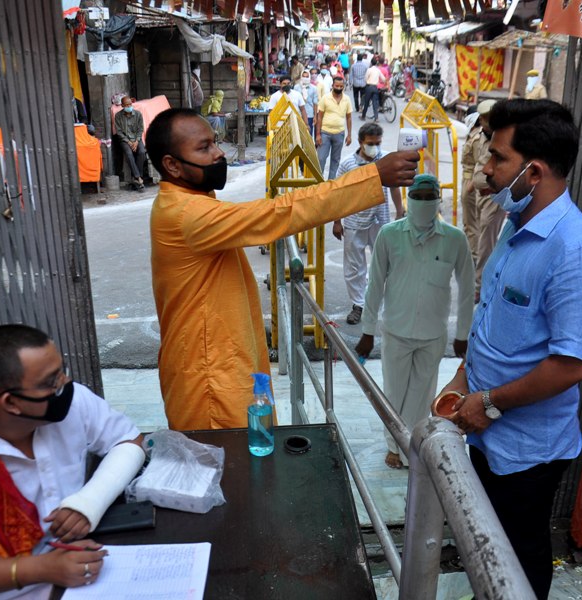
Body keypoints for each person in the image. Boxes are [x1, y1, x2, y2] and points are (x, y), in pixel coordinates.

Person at [146, 108, 420, 430]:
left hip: (218, 369)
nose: (219, 153)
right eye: (204, 148)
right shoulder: (185, 215)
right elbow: (280, 213)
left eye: (215, 142)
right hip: (209, 384)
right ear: (172, 165)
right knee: (230, 469)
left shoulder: (192, 202)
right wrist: (372, 177)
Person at [441, 99, 582, 599]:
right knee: (485, 542)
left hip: (527, 451)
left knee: (519, 554)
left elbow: (572, 364)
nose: (486, 170)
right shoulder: (515, 225)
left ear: (533, 172)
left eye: (497, 158)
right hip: (485, 427)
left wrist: (489, 402)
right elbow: (494, 315)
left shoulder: (574, 250)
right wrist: (463, 378)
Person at [0, 324, 146, 598]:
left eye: (61, 371)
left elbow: (129, 441)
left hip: (74, 572)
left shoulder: (72, 403)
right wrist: (44, 569)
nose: (64, 385)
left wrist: (89, 501)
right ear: (11, 403)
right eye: (49, 382)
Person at [356, 174, 474, 469]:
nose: (422, 202)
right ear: (408, 199)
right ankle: (394, 446)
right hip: (396, 330)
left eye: (428, 197)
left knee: (422, 395)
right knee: (394, 394)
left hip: (433, 334)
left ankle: (415, 448)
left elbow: (467, 288)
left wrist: (462, 334)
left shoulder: (454, 239)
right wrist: (368, 331)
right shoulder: (389, 234)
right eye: (417, 197)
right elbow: (375, 285)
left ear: (437, 200)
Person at [333, 122, 404, 325]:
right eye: (371, 143)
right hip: (354, 221)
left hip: (380, 220)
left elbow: (395, 188)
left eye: (378, 143)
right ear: (361, 143)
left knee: (386, 263)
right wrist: (337, 222)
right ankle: (358, 305)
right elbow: (338, 194)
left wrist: (400, 213)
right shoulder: (348, 165)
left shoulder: (386, 160)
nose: (375, 147)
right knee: (354, 267)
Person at [472, 100, 505, 298]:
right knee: (480, 239)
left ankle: (480, 288)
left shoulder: (503, 141)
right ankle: (480, 279)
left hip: (493, 197)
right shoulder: (480, 136)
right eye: (481, 119)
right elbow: (473, 162)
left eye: (486, 119)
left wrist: (492, 188)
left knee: (486, 243)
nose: (483, 122)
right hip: (480, 195)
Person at [315, 76, 353, 180]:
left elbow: (349, 118)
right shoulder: (325, 98)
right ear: (332, 86)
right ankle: (319, 182)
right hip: (325, 133)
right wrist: (318, 134)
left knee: (335, 160)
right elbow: (320, 116)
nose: (339, 88)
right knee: (321, 158)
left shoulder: (347, 99)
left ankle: (331, 183)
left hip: (339, 133)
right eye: (337, 86)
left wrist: (349, 135)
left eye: (341, 86)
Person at [460, 106, 482, 267]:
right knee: (472, 223)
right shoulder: (474, 135)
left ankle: (474, 259)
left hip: (471, 184)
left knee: (471, 223)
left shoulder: (478, 138)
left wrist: (470, 186)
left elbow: (481, 164)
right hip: (469, 182)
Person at [114, 96, 147, 191]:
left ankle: (137, 177)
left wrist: (136, 141)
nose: (129, 106)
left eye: (130, 104)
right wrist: (129, 142)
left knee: (141, 152)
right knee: (128, 154)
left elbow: (140, 129)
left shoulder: (138, 114)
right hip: (125, 140)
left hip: (136, 139)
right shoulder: (118, 116)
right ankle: (138, 177)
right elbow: (119, 132)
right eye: (127, 105)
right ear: (122, 106)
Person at [293, 69, 320, 134]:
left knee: (308, 134)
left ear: (309, 77)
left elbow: (315, 103)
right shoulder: (296, 87)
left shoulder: (313, 88)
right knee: (298, 134)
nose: (305, 78)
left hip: (309, 114)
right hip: (298, 113)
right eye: (303, 76)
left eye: (307, 77)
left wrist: (315, 116)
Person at [361, 58, 386, 122]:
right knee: (375, 103)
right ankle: (376, 118)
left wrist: (367, 81)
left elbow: (365, 78)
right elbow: (383, 79)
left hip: (369, 87)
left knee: (366, 102)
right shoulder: (378, 70)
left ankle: (363, 116)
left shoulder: (369, 70)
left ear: (371, 63)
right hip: (375, 87)